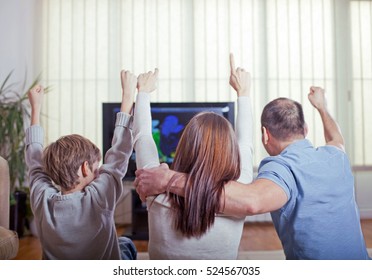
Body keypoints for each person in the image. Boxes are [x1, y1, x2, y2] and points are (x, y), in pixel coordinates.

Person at [135, 85, 370, 260]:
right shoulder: (337, 156)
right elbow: (336, 138)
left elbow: (252, 202)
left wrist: (168, 179)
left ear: (265, 135)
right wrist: (322, 107)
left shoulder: (280, 168)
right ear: (306, 129)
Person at [132, 54, 253, 259]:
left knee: (125, 246)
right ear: (230, 150)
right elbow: (246, 141)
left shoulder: (156, 185)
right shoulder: (240, 191)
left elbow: (142, 135)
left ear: (185, 145)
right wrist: (243, 93)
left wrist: (143, 92)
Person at [25, 70, 138, 260]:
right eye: (96, 168)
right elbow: (119, 154)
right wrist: (128, 95)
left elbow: (35, 164)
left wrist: (35, 109)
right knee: (125, 243)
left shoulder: (42, 199)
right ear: (85, 168)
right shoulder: (99, 198)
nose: (100, 172)